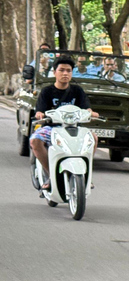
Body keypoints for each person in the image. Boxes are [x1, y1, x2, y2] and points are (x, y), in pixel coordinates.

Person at [30, 56, 99, 190]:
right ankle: (51, 175)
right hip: (51, 129)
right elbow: (40, 111)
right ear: (54, 72)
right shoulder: (46, 91)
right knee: (35, 141)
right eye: (61, 70)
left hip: (75, 129)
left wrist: (91, 113)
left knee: (93, 138)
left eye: (68, 70)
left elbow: (87, 108)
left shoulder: (77, 91)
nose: (65, 73)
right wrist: (40, 114)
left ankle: (86, 175)